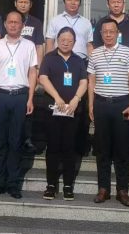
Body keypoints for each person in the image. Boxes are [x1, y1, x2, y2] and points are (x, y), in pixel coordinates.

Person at [0, 11, 38, 199]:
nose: (13, 25)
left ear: (22, 25)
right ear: (5, 24)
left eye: (17, 22)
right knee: (0, 142)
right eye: (10, 22)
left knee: (16, 142)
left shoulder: (29, 45)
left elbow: (33, 72)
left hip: (20, 96)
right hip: (0, 96)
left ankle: (13, 184)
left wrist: (30, 98)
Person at [87, 19, 129, 207]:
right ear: (100, 34)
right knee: (102, 149)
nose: (108, 35)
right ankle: (103, 189)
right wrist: (91, 105)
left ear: (118, 33)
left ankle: (122, 190)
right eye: (105, 32)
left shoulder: (127, 52)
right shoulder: (95, 53)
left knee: (122, 148)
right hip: (101, 104)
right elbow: (91, 81)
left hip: (121, 105)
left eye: (111, 31)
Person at [38, 27, 88, 201]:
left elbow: (84, 82)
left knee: (69, 148)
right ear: (57, 40)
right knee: (52, 147)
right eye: (63, 39)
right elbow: (43, 78)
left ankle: (68, 185)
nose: (66, 43)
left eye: (70, 40)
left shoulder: (78, 60)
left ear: (74, 42)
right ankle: (51, 185)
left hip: (72, 110)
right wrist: (57, 97)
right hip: (53, 109)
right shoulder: (49, 58)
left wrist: (76, 99)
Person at [46, 0, 94, 156]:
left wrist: (92, 65)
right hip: (58, 64)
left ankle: (80, 144)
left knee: (80, 105)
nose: (73, 2)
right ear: (64, 1)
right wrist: (48, 63)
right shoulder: (55, 20)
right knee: (58, 101)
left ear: (80, 2)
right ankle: (57, 143)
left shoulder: (86, 22)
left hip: (80, 64)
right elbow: (50, 42)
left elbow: (89, 45)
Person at [15, 0, 44, 154]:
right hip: (12, 71)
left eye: (26, 2)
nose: (23, 5)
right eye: (20, 2)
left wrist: (38, 68)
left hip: (29, 71)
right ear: (15, 4)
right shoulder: (10, 19)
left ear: (30, 5)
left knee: (28, 104)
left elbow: (39, 46)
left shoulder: (36, 23)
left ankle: (27, 139)